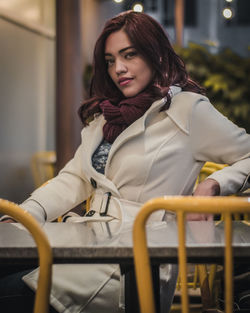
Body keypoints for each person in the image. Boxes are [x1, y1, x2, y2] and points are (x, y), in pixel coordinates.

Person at [1, 10, 250, 313]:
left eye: (129, 55)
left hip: (135, 264)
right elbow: (74, 179)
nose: (118, 68)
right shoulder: (106, 116)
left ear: (155, 54)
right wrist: (24, 216)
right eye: (110, 60)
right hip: (87, 244)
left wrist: (214, 184)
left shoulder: (186, 109)